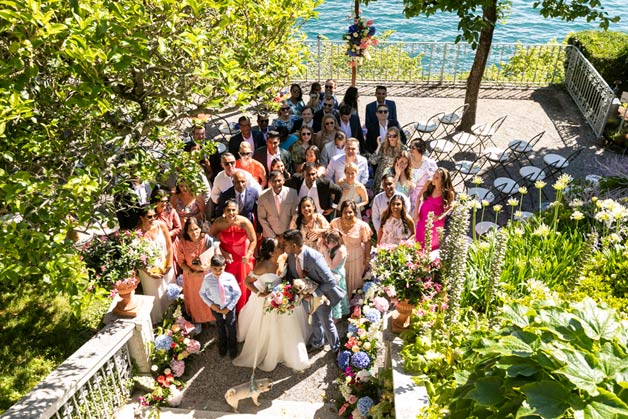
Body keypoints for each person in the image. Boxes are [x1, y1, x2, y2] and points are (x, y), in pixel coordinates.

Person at [233, 238, 311, 372]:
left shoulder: (284, 256)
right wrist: (259, 293)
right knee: (269, 326)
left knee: (290, 320)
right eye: (278, 247)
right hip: (268, 298)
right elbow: (247, 282)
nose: (282, 247)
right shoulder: (262, 266)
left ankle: (289, 348)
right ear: (270, 253)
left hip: (282, 294)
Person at [283, 229, 345, 353]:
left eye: (285, 244)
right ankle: (318, 342)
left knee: (327, 323)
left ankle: (336, 348)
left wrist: (314, 294)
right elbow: (292, 274)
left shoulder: (314, 258)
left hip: (322, 297)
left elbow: (331, 281)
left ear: (294, 245)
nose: (283, 247)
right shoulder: (291, 256)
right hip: (304, 296)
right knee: (314, 321)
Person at [209, 199, 257, 313]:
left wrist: (249, 253)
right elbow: (211, 239)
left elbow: (254, 240)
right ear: (224, 211)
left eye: (233, 210)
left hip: (243, 257)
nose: (231, 213)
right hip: (227, 258)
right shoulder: (218, 223)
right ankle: (229, 308)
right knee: (228, 284)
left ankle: (244, 309)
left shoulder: (244, 222)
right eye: (228, 210)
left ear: (238, 210)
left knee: (243, 283)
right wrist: (223, 253)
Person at [175, 218, 217, 325]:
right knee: (196, 300)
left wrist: (206, 267)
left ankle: (211, 318)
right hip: (191, 278)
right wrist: (190, 271)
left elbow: (217, 257)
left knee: (209, 298)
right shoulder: (182, 243)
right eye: (190, 230)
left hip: (207, 276)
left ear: (201, 228)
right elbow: (181, 262)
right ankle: (198, 320)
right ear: (186, 231)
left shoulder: (208, 240)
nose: (194, 233)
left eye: (196, 229)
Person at [136, 207, 175, 324]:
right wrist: (149, 272)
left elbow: (169, 246)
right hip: (148, 270)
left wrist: (169, 264)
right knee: (154, 297)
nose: (153, 219)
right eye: (149, 217)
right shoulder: (137, 233)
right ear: (142, 218)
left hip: (165, 265)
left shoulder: (161, 225)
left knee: (168, 292)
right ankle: (158, 322)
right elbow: (137, 257)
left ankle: (172, 317)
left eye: (154, 216)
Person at [199, 255, 241, 358]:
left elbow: (237, 293)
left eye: (220, 269)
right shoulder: (207, 279)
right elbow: (202, 293)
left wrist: (229, 307)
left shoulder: (230, 277)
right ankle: (222, 344)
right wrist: (211, 305)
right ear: (210, 267)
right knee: (220, 325)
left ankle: (233, 346)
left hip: (229, 307)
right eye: (215, 269)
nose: (218, 271)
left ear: (225, 266)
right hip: (216, 307)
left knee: (231, 326)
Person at [329, 200, 372, 297]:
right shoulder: (334, 223)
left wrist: (367, 259)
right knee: (339, 281)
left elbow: (367, 243)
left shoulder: (362, 226)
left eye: (350, 212)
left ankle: (354, 307)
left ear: (355, 213)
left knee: (355, 283)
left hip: (356, 258)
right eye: (345, 212)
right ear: (341, 212)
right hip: (339, 258)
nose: (348, 214)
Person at [415, 168, 455, 251]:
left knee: (432, 243)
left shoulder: (449, 193)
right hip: (423, 216)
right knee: (420, 239)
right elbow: (419, 197)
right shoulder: (429, 183)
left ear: (442, 181)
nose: (433, 178)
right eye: (434, 175)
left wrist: (441, 216)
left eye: (437, 178)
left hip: (436, 220)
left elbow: (451, 206)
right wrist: (416, 213)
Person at [257, 171, 299, 239]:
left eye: (279, 180)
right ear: (270, 182)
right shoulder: (263, 196)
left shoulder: (292, 193)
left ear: (283, 180)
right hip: (270, 236)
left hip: (288, 235)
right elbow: (261, 218)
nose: (277, 184)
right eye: (274, 181)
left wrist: (288, 233)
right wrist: (273, 236)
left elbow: (295, 215)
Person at [321, 230, 349, 321]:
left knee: (335, 296)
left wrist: (325, 252)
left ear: (335, 242)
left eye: (328, 243)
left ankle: (336, 318)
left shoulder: (341, 250)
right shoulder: (333, 248)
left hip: (337, 275)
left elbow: (332, 266)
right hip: (330, 274)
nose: (327, 245)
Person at [370, 126, 404, 193]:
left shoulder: (402, 148)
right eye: (389, 136)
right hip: (381, 175)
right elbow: (372, 161)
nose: (391, 138)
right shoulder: (383, 146)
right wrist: (379, 146)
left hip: (394, 175)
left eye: (394, 136)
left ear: (398, 137)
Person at [409, 139, 438, 215]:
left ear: (419, 149)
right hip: (408, 191)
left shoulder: (429, 163)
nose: (410, 149)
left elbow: (435, 179)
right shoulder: (407, 161)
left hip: (423, 194)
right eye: (409, 147)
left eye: (412, 147)